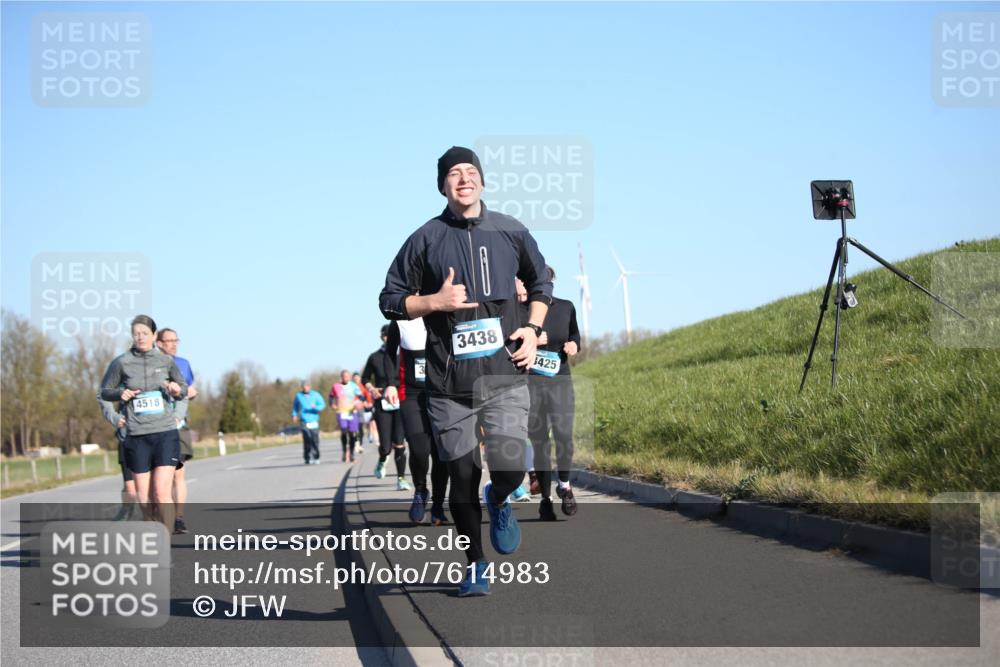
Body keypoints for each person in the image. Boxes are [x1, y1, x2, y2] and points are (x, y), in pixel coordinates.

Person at [380, 146, 552, 596]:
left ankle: (499, 500)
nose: (463, 179)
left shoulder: (511, 231)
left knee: (511, 472)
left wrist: (533, 330)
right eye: (453, 174)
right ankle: (475, 564)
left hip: (505, 374)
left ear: (482, 181)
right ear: (442, 185)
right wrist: (434, 302)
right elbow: (389, 298)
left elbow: (542, 283)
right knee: (461, 476)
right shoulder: (425, 238)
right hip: (447, 385)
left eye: (470, 172)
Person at [99, 315, 187, 529]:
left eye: (144, 333)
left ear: (154, 336)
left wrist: (176, 390)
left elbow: (183, 389)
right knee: (143, 497)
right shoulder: (122, 362)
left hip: (165, 432)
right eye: (136, 333)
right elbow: (104, 392)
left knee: (161, 491)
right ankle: (151, 523)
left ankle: (163, 540)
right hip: (137, 435)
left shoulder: (165, 361)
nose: (140, 337)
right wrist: (120, 397)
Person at [527, 266, 581, 520]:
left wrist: (573, 345)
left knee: (563, 435)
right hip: (532, 384)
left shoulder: (566, 306)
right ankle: (546, 500)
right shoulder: (524, 310)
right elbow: (509, 341)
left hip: (559, 380)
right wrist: (532, 341)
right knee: (540, 443)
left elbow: (574, 334)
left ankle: (565, 486)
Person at [386, 317, 450, 525]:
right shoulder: (401, 323)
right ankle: (421, 491)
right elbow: (389, 353)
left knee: (441, 454)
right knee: (420, 449)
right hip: (412, 395)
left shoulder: (445, 315)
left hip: (442, 393)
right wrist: (390, 384)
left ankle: (438, 506)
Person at [156, 328, 198, 534]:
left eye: (176, 340)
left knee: (177, 474)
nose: (174, 344)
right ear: (159, 343)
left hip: (178, 425)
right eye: (169, 341)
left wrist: (191, 393)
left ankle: (178, 517)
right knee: (159, 476)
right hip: (153, 426)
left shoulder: (183, 363)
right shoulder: (150, 364)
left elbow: (191, 389)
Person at [362, 325, 411, 491]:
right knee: (385, 446)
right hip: (382, 403)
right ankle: (382, 459)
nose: (388, 339)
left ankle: (401, 479)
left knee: (399, 443)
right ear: (381, 337)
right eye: (385, 336)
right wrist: (372, 389)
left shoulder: (404, 354)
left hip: (401, 401)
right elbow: (365, 378)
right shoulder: (374, 357)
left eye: (391, 336)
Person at [99, 396, 135, 520]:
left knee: (150, 487)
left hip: (151, 438)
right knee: (130, 489)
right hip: (126, 439)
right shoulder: (118, 377)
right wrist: (114, 417)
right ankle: (127, 510)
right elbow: (103, 395)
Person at [329, 371, 363, 463]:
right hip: (341, 412)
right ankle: (344, 451)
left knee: (352, 434)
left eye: (347, 376)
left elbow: (361, 397)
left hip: (352, 412)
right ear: (341, 377)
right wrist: (332, 404)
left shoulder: (353, 386)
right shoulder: (336, 386)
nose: (346, 378)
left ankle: (351, 453)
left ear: (350, 377)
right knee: (344, 431)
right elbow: (331, 397)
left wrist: (360, 403)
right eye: (344, 376)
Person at [291, 381, 325, 464]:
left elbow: (322, 404)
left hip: (314, 420)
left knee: (314, 439)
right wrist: (294, 415)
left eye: (307, 386)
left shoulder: (315, 394)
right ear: (302, 387)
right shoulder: (298, 396)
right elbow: (295, 407)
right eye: (304, 386)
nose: (306, 388)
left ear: (310, 387)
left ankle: (316, 456)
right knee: (307, 438)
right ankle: (307, 457)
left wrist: (316, 408)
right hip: (304, 420)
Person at [352, 372, 373, 453]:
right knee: (353, 427)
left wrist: (369, 402)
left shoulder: (362, 386)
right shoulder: (350, 386)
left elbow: (367, 395)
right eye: (355, 378)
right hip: (351, 409)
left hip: (361, 408)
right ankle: (354, 443)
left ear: (360, 379)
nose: (356, 379)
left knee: (360, 426)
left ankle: (360, 443)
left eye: (357, 378)